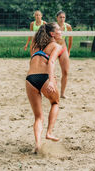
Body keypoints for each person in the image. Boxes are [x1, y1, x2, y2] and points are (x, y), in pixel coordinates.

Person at [26, 23, 62, 153]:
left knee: (38, 117)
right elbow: (51, 62)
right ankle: (49, 133)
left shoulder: (35, 46)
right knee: (55, 102)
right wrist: (52, 81)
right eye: (59, 29)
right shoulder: (57, 46)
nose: (61, 31)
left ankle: (37, 144)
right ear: (52, 34)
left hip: (30, 79)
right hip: (44, 77)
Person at [55, 10, 72, 98]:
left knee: (65, 72)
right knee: (48, 72)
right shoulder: (53, 26)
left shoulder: (68, 27)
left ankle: (62, 93)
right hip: (53, 48)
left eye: (63, 17)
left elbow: (70, 39)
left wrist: (68, 50)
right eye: (60, 17)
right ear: (57, 18)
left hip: (63, 48)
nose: (62, 19)